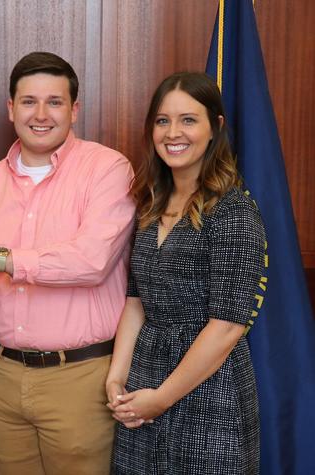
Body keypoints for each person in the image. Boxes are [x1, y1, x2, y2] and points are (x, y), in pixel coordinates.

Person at [0, 52, 135, 474]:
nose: (41, 114)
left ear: (74, 109)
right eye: (28, 101)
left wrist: (0, 258)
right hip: (2, 374)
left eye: (54, 102)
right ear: (10, 108)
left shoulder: (107, 169)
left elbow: (91, 261)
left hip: (79, 376)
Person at [106, 72, 264, 474]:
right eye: (162, 120)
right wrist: (116, 378)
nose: (173, 132)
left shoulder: (233, 212)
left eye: (188, 120)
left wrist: (162, 398)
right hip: (142, 384)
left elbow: (227, 326)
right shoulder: (150, 205)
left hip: (209, 391)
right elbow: (136, 302)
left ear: (216, 127)